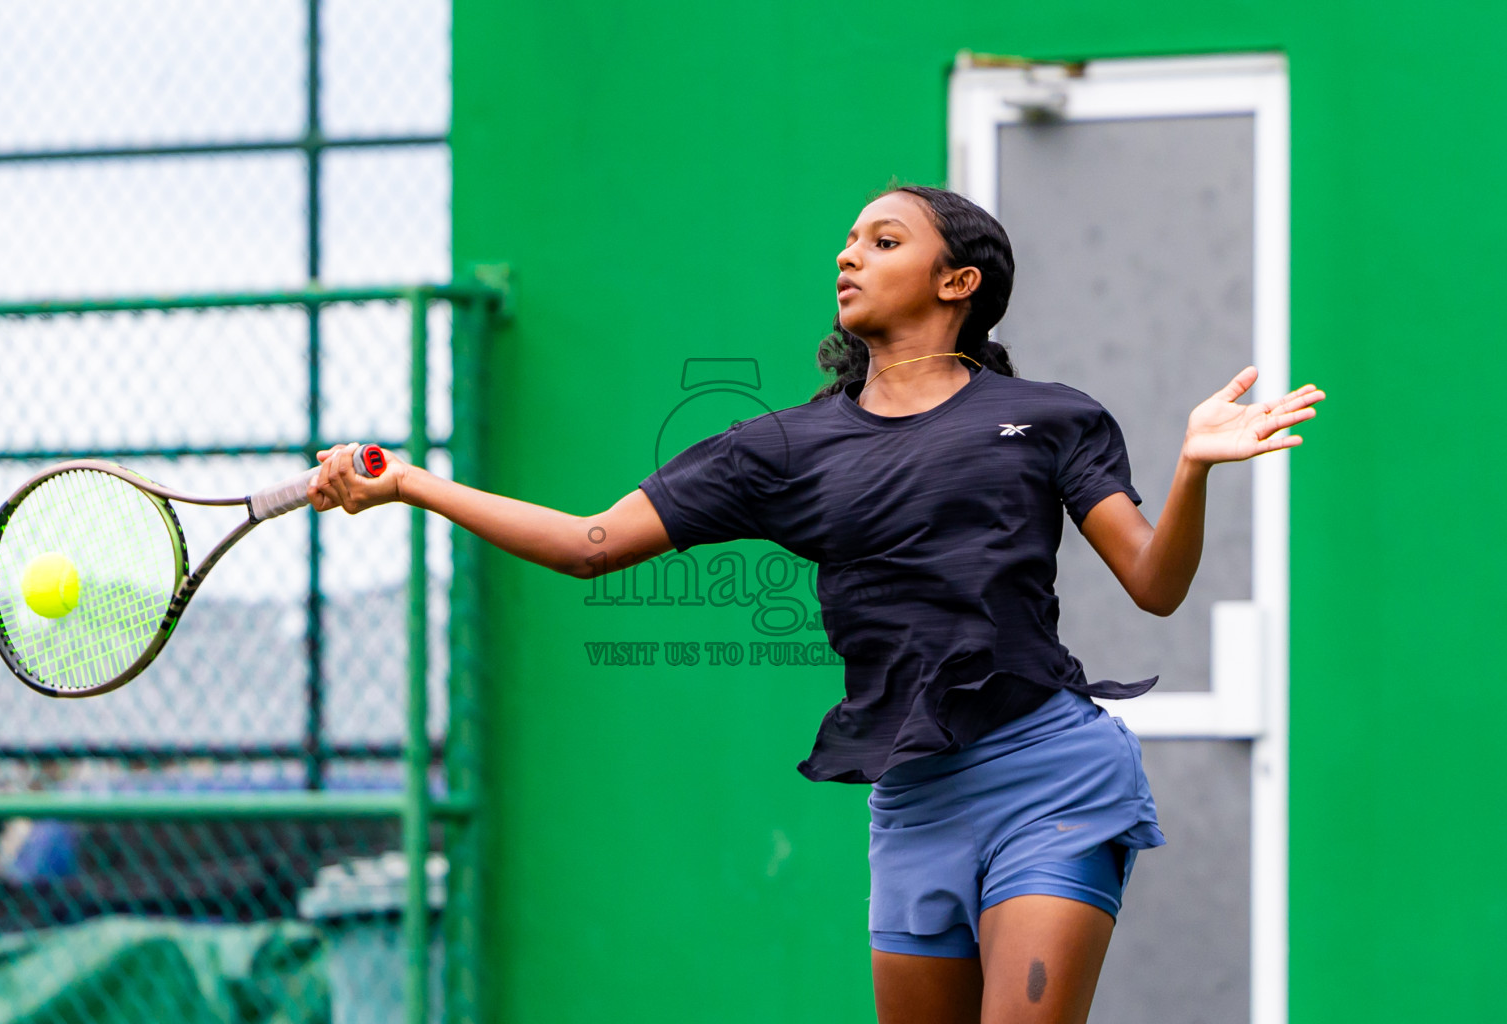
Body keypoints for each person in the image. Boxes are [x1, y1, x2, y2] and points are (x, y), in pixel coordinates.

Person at [308, 184, 1324, 1024]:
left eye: (883, 240)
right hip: (914, 797)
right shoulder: (779, 449)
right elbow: (590, 544)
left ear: (956, 282)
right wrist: (409, 481)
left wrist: (1193, 467)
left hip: (1049, 776)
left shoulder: (1048, 420)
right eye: (846, 241)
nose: (848, 256)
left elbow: (1155, 583)